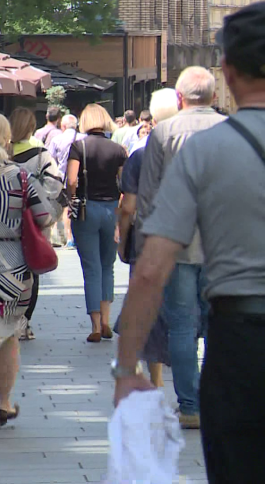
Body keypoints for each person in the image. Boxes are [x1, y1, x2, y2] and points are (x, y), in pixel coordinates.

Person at [114, 4, 265, 481]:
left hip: (242, 339)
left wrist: (126, 369)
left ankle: (190, 400)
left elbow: (152, 266)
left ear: (228, 71)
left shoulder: (205, 149)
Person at [135, 66, 225, 429]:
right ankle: (218, 399)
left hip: (176, 243)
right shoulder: (230, 130)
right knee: (221, 323)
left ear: (179, 98)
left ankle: (189, 405)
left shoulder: (164, 133)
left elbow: (148, 195)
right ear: (214, 98)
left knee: (182, 325)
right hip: (223, 244)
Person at [0, 112, 62, 435]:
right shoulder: (21, 177)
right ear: (7, 140)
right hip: (18, 268)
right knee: (8, 333)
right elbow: (45, 216)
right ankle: (5, 402)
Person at [114, 88, 180, 389]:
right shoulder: (194, 151)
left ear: (152, 119)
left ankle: (155, 376)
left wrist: (124, 239)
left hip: (148, 240)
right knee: (184, 308)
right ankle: (186, 379)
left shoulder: (140, 156)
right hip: (187, 240)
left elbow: (128, 206)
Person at [66, 104, 127, 342]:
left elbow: (72, 179)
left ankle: (94, 326)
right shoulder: (118, 149)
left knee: (91, 267)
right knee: (107, 266)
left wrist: (72, 198)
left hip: (86, 209)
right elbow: (125, 183)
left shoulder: (78, 146)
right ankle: (106, 320)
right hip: (111, 208)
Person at [8, 107, 64, 341]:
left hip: (7, 219)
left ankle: (9, 317)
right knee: (33, 268)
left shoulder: (2, 153)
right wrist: (39, 203)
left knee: (10, 266)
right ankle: (24, 321)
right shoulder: (40, 155)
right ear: (31, 127)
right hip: (35, 220)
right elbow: (55, 186)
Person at [46, 113, 86, 249]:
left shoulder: (57, 140)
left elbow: (50, 160)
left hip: (61, 179)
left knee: (63, 207)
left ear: (63, 126)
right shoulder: (84, 138)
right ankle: (75, 236)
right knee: (76, 206)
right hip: (81, 179)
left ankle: (65, 237)